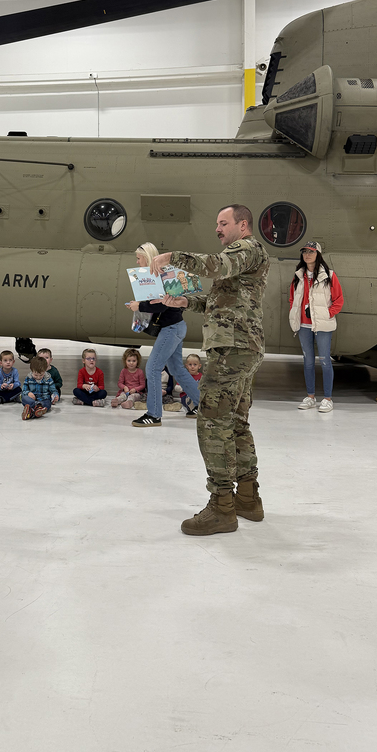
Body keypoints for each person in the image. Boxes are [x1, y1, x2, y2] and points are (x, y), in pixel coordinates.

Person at [151, 204, 269, 536]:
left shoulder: (244, 249)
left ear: (242, 225)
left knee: (212, 423)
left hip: (232, 349)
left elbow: (214, 266)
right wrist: (188, 302)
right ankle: (247, 498)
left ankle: (222, 507)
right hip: (243, 347)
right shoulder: (244, 257)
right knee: (236, 423)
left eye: (223, 223)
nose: (217, 229)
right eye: (216, 223)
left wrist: (172, 257)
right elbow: (226, 301)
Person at [127, 242, 200, 428]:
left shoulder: (159, 274)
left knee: (152, 368)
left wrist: (140, 306)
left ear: (146, 257)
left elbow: (163, 304)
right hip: (176, 327)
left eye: (138, 257)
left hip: (171, 329)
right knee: (176, 369)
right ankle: (204, 405)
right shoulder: (157, 274)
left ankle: (154, 414)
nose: (137, 261)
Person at [289, 240, 344, 413]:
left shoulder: (329, 275)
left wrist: (326, 314)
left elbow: (338, 300)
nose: (307, 255)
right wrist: (295, 312)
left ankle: (327, 399)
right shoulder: (298, 276)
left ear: (318, 254)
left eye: (311, 252)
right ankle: (310, 396)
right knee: (308, 362)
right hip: (304, 326)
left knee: (325, 361)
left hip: (322, 326)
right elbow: (292, 298)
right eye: (305, 252)